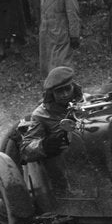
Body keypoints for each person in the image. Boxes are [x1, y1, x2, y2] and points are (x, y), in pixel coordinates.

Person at [20, 66, 82, 194]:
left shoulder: (87, 102)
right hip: (62, 170)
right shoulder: (41, 114)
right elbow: (26, 149)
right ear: (51, 93)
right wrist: (45, 145)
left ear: (73, 86)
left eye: (67, 89)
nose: (65, 94)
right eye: (59, 91)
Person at [37, 0, 81, 75]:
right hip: (47, 35)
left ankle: (67, 89)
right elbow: (44, 14)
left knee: (63, 66)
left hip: (61, 34)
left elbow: (73, 14)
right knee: (50, 68)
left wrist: (74, 35)